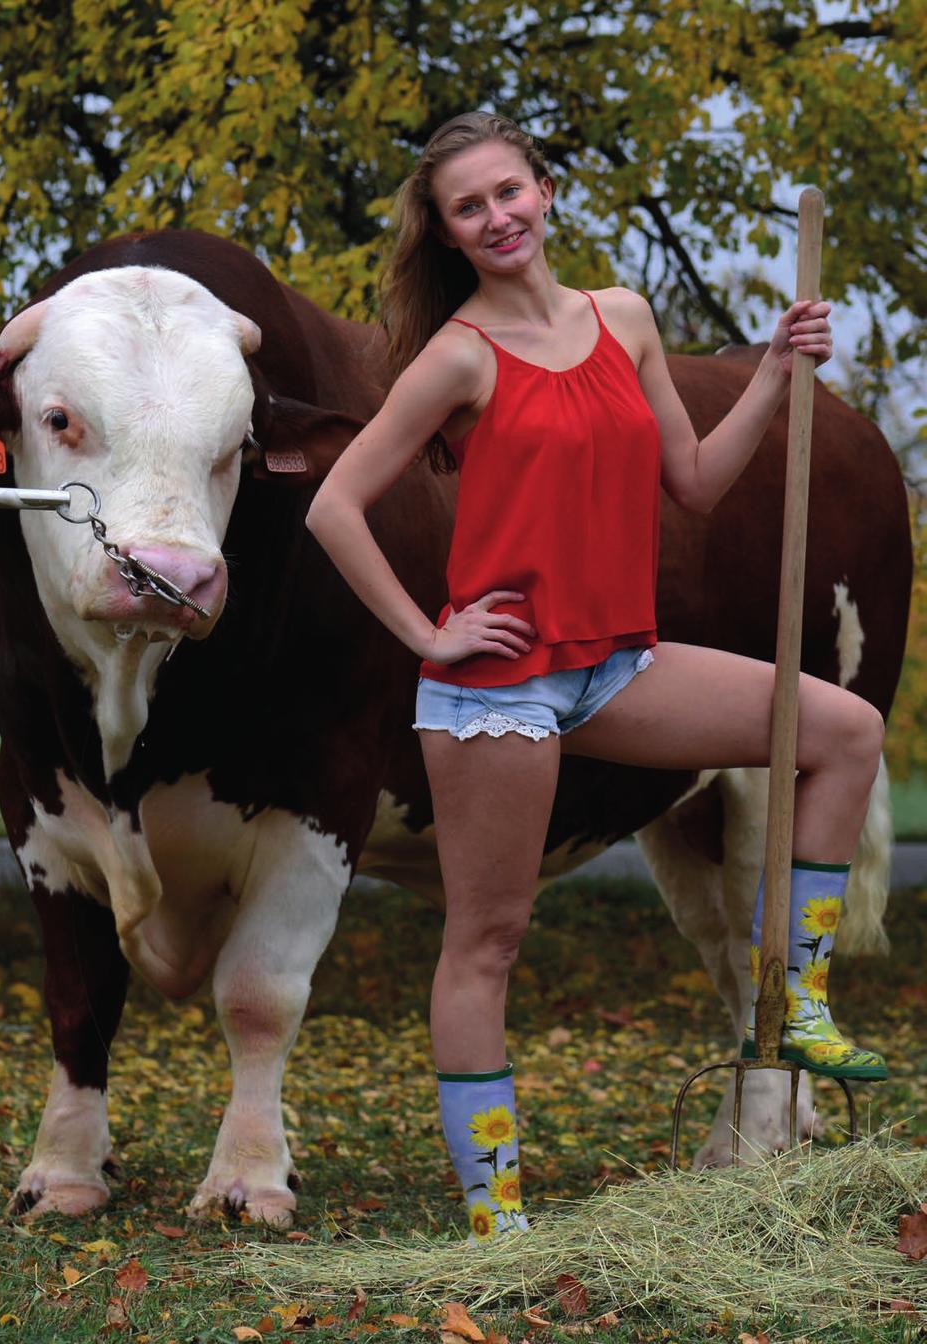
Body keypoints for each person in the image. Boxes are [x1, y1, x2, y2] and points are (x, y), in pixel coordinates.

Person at [306, 111, 886, 1242]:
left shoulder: (622, 319)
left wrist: (773, 371)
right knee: (489, 941)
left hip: (621, 663)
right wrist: (430, 635)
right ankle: (499, 1227)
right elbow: (335, 506)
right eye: (469, 207)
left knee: (843, 730)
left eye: (508, 191)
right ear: (451, 234)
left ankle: (801, 1002)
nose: (496, 217)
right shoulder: (459, 355)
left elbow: (698, 481)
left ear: (547, 190)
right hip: (499, 689)